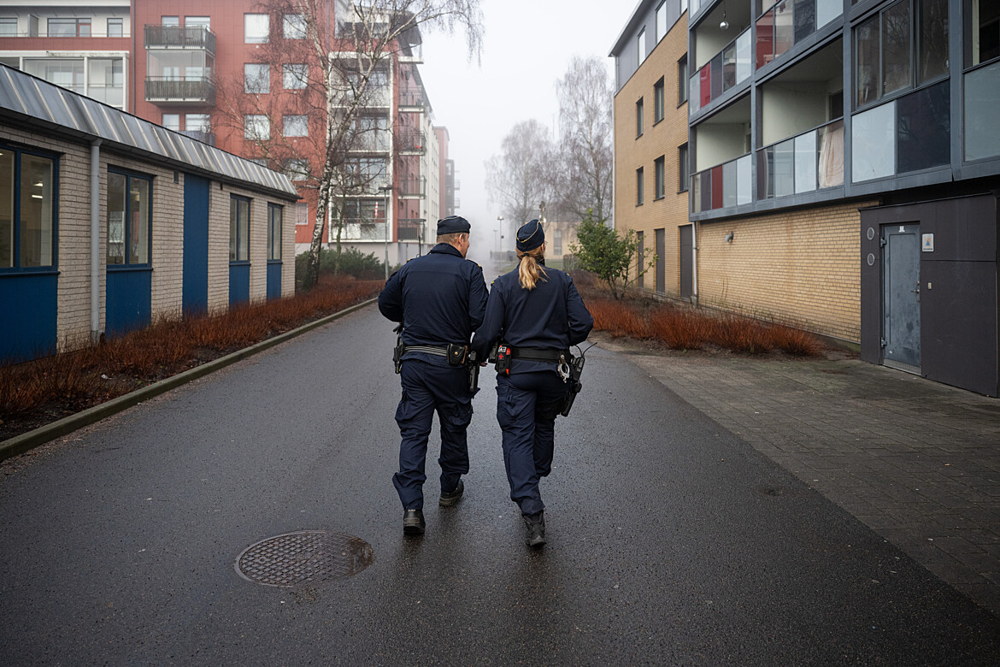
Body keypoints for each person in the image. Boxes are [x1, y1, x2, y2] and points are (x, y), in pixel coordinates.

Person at [472, 219, 593, 547]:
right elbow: (584, 323)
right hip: (554, 373)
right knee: (543, 426)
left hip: (517, 376)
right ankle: (533, 478)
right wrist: (560, 341)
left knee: (517, 437)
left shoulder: (504, 284)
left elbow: (487, 331)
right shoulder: (561, 281)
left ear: (517, 249)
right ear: (542, 248)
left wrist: (480, 353)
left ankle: (532, 510)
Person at [378, 216, 489, 536]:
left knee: (414, 432)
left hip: (414, 364)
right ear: (462, 240)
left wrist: (410, 315)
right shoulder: (470, 272)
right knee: (454, 426)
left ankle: (412, 508)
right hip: (452, 365)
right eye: (468, 241)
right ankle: (449, 489)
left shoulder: (411, 268)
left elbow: (386, 304)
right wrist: (477, 352)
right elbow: (482, 320)